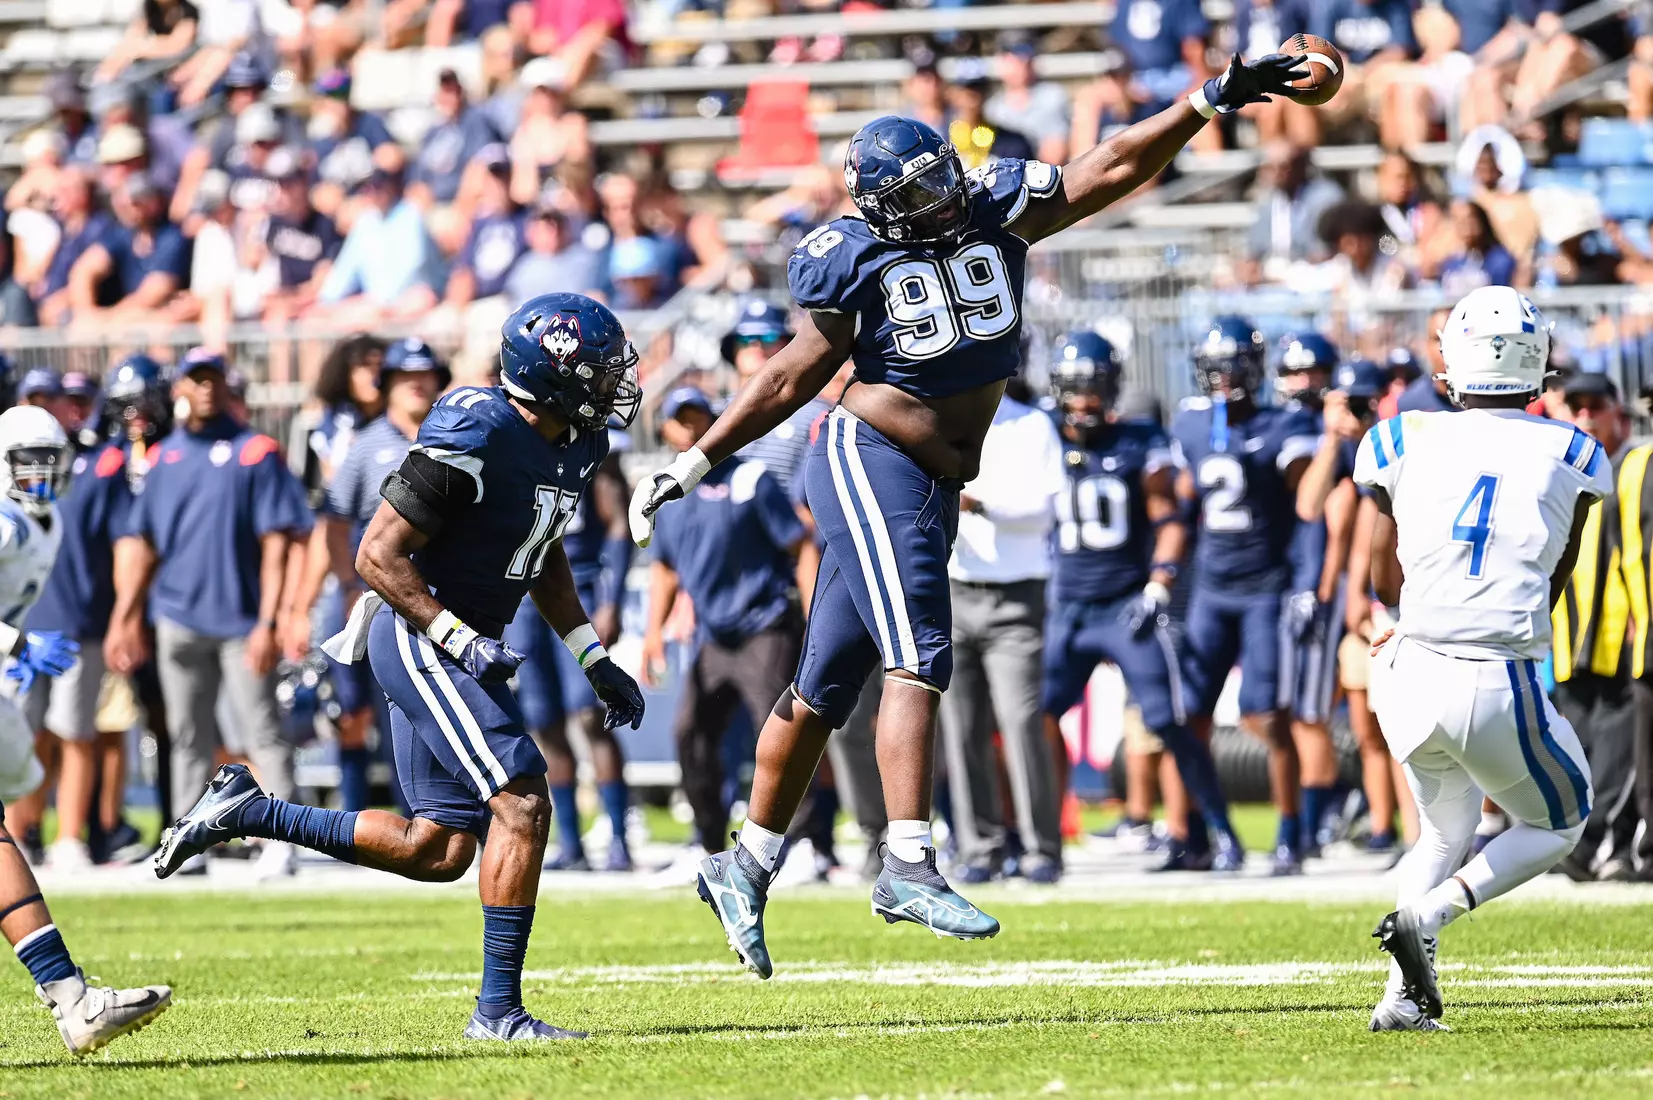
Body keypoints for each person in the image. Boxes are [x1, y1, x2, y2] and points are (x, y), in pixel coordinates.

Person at [629, 51, 1318, 977]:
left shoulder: (995, 202)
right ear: (879, 212)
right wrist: (695, 458)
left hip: (932, 476)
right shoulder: (849, 256)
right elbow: (790, 375)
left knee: (825, 683)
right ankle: (907, 861)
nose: (941, 202)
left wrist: (1208, 99)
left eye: (940, 180)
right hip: (871, 457)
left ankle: (745, 863)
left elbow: (1112, 164)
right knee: (920, 652)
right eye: (916, 197)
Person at [152, 295, 646, 1042]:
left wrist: (592, 656)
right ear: (550, 374)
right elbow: (375, 554)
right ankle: (498, 1014)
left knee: (436, 850)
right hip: (422, 631)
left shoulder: (580, 441)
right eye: (598, 371)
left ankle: (249, 812)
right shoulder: (479, 428)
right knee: (522, 801)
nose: (613, 384)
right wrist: (457, 637)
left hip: (465, 638)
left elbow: (543, 554)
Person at [1358, 285, 1606, 1032]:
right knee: (1561, 821)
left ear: (1453, 359)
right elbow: (1554, 576)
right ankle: (1432, 913)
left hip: (1407, 667)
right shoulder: (1574, 451)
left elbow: (1381, 575)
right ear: (1537, 363)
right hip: (1494, 674)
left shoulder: (1398, 438)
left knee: (1441, 832)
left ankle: (1403, 1000)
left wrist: (1411, 617)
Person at [0, 405, 172, 1055]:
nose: (40, 475)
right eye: (26, 462)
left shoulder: (42, 522)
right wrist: (16, 643)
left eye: (49, 461)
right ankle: (72, 1000)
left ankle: (72, 999)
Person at [105, 348, 313, 879]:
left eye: (213, 379)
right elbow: (144, 545)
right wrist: (126, 616)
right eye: (196, 379)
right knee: (185, 738)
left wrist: (270, 620)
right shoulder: (163, 458)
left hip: (241, 621)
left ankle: (285, 840)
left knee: (262, 732)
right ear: (180, 388)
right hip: (177, 617)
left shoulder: (254, 452)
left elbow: (278, 542)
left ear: (225, 385)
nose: (205, 388)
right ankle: (186, 842)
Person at [1172, 317, 1320, 876]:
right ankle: (1216, 834)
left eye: (1232, 369)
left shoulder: (1283, 425)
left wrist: (1306, 584)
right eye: (1215, 370)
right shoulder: (1189, 424)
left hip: (1264, 589)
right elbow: (1181, 507)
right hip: (1210, 589)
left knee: (1266, 716)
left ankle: (1290, 835)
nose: (1223, 380)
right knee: (1189, 717)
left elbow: (1309, 513)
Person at [641, 387, 808, 871]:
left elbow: (800, 545)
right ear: (665, 428)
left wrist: (813, 615)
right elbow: (665, 568)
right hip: (712, 637)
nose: (690, 427)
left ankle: (801, 844)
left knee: (780, 735)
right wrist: (653, 633)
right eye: (680, 418)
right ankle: (709, 841)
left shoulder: (750, 478)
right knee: (690, 734)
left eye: (699, 417)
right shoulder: (666, 492)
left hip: (765, 625)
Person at [288, 339, 446, 814]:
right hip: (369, 598)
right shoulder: (365, 445)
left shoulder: (453, 439)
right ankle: (356, 826)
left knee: (418, 714)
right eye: (404, 376)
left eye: (424, 375)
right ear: (388, 385)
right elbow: (334, 522)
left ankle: (424, 823)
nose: (415, 385)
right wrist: (345, 585)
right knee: (351, 713)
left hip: (434, 598)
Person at [940, 376, 1065, 884]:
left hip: (1016, 593)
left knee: (1020, 721)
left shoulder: (1032, 425)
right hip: (955, 588)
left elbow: (1043, 512)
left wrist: (979, 502)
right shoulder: (943, 415)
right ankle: (979, 847)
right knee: (961, 726)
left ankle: (1041, 848)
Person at [20, 360, 140, 871]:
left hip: (80, 620)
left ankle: (69, 836)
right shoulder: (10, 465)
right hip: (21, 625)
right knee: (24, 736)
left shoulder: (100, 464)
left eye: (67, 400)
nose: (57, 410)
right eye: (43, 400)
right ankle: (20, 835)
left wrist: (123, 618)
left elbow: (125, 544)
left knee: (75, 733)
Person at [506, 414, 633, 873]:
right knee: (545, 722)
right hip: (522, 592)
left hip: (578, 583)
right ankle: (570, 842)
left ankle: (619, 837)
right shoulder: (507, 439)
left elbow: (619, 523)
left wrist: (611, 601)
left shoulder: (590, 443)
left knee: (590, 715)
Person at [1547, 371, 1639, 880]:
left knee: (1619, 750)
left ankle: (1607, 844)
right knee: (1575, 745)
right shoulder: (1557, 472)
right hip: (1567, 636)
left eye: (1594, 406)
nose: (1585, 417)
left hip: (1621, 634)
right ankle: (1578, 843)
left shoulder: (1636, 469)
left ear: (1616, 411)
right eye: (1575, 406)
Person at [1272, 332, 1349, 858]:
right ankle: (1327, 805)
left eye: (1312, 372)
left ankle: (1318, 822)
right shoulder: (1277, 425)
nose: (1303, 383)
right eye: (1294, 372)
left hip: (1316, 584)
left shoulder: (1337, 437)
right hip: (1280, 581)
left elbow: (1328, 512)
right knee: (1281, 712)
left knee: (1309, 714)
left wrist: (1323, 583)